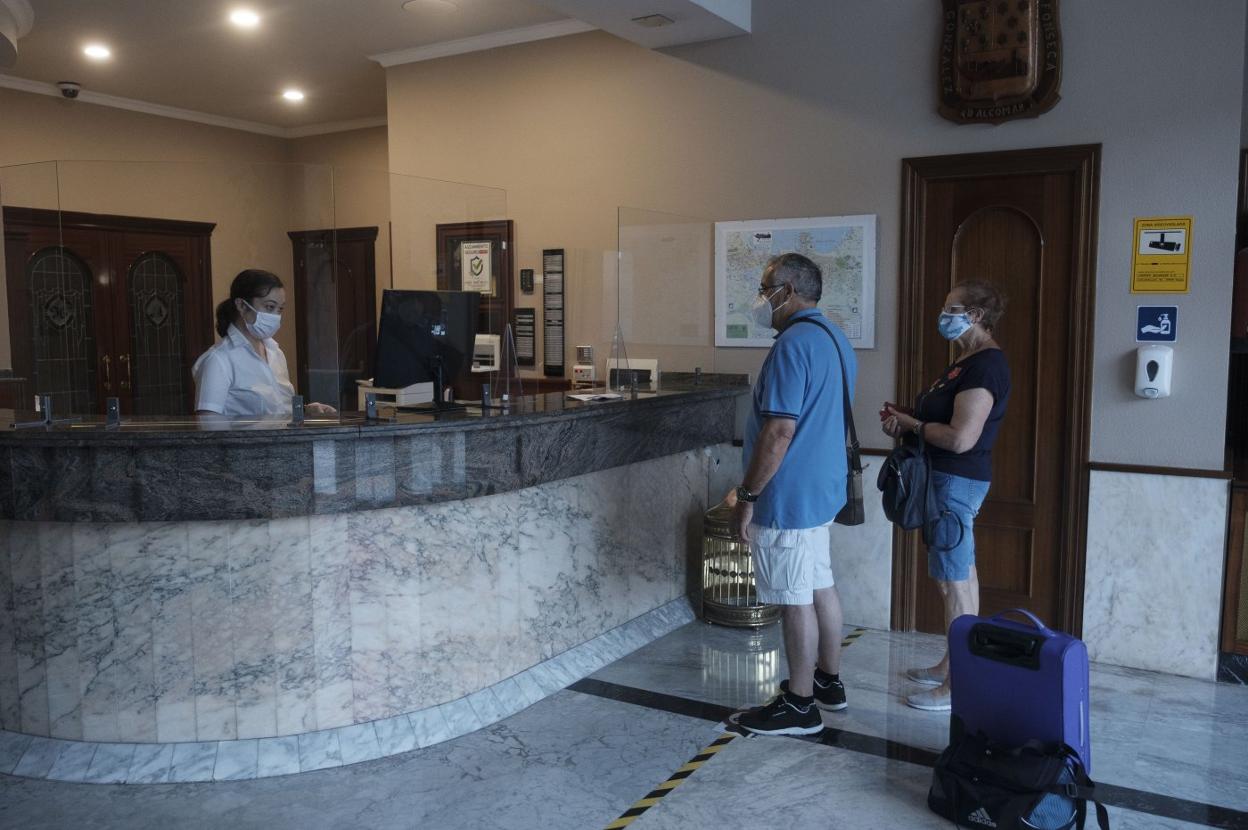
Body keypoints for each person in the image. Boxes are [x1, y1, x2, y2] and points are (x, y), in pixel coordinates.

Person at [727, 252, 857, 736]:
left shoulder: (791, 346)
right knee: (820, 583)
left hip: (789, 496)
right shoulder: (833, 338)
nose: (762, 300)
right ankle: (828, 681)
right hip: (822, 490)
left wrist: (748, 494)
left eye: (767, 289)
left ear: (792, 290)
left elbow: (779, 431)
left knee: (793, 597)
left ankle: (800, 705)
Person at [881, 280, 1010, 712]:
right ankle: (953, 663)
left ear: (975, 315)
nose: (943, 316)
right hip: (944, 480)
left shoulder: (986, 365)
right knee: (955, 576)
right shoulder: (964, 361)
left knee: (954, 580)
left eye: (950, 308)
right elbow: (939, 418)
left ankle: (957, 687)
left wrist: (914, 426)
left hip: (956, 480)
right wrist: (907, 418)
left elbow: (960, 439)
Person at [193, 269, 337, 417]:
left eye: (280, 309)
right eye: (269, 307)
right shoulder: (218, 360)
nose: (275, 316)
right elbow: (209, 429)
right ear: (242, 305)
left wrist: (306, 411)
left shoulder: (275, 352)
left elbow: (278, 412)